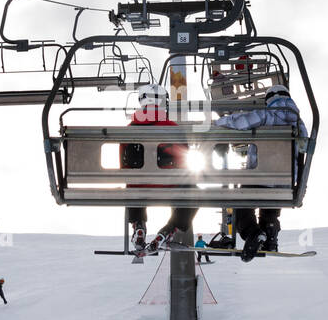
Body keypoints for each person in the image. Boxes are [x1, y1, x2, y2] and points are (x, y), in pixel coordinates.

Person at [214, 83, 308, 262]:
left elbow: (241, 122)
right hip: (286, 180)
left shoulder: (267, 116)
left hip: (260, 176)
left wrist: (219, 122)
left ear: (269, 99)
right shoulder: (299, 123)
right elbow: (304, 149)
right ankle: (270, 237)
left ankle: (253, 233)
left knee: (243, 203)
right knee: (271, 204)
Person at [119, 84, 198, 254]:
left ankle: (139, 225)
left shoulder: (128, 130)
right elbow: (184, 160)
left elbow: (123, 165)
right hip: (168, 186)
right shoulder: (173, 129)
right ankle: (170, 229)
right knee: (194, 192)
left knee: (131, 183)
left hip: (138, 188)